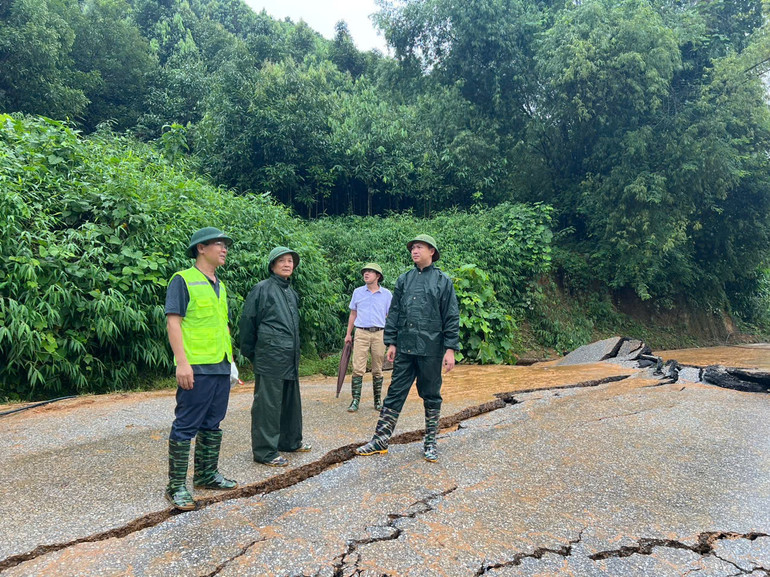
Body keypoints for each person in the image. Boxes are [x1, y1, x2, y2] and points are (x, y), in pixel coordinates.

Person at [355, 234, 460, 462]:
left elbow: (451, 316)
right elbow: (395, 313)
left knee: (431, 395)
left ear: (431, 251)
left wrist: (450, 349)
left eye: (419, 247)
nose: (414, 251)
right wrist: (391, 342)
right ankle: (380, 439)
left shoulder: (443, 281)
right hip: (405, 347)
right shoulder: (404, 280)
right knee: (394, 393)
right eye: (412, 247)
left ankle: (430, 442)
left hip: (432, 349)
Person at [165, 227, 239, 511]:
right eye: (219, 245)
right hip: (196, 366)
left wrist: (230, 363)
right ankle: (175, 486)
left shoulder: (220, 285)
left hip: (219, 365)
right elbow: (174, 322)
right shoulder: (183, 280)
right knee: (186, 424)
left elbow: (222, 326)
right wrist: (182, 363)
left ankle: (207, 474)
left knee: (213, 422)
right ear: (201, 248)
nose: (224, 250)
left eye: (225, 246)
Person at [239, 246, 311, 467]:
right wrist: (252, 353)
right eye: (282, 261)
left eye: (290, 261)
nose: (287, 264)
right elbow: (247, 323)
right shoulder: (262, 289)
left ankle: (290, 441)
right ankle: (265, 451)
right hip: (269, 355)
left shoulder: (291, 292)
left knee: (290, 401)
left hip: (289, 356)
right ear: (272, 265)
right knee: (267, 405)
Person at [344, 263, 393, 412]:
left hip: (380, 333)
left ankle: (378, 401)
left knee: (377, 368)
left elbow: (390, 316)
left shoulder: (387, 294)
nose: (366, 274)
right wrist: (348, 334)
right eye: (365, 272)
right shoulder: (358, 292)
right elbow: (353, 314)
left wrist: (392, 338)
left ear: (377, 276)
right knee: (358, 368)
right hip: (361, 332)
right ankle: (355, 401)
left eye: (370, 272)